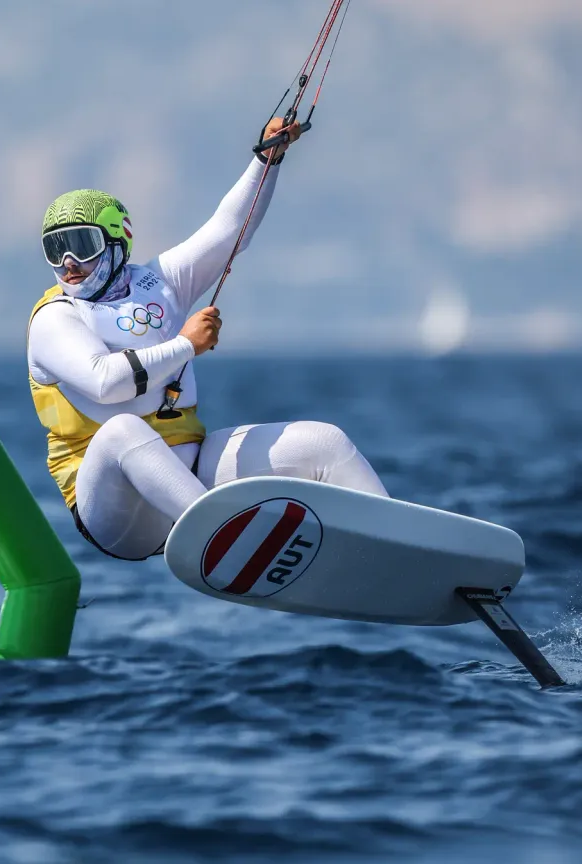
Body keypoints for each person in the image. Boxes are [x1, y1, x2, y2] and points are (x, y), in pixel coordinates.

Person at [26, 116, 388, 561]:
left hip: (190, 473)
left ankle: (397, 547)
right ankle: (225, 541)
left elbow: (229, 231)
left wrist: (266, 161)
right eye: (54, 248)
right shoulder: (53, 319)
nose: (68, 263)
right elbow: (105, 383)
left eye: (81, 244)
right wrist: (186, 344)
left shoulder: (161, 282)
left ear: (119, 240)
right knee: (123, 430)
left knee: (324, 442)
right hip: (117, 513)